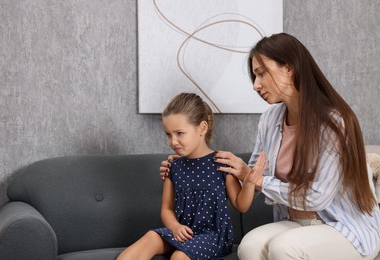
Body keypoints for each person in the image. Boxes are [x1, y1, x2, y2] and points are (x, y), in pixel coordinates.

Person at [160, 33, 380, 259]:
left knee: (283, 248)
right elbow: (253, 179)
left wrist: (258, 179)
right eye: (254, 76)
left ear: (289, 68)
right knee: (249, 247)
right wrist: (190, 167)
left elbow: (317, 197)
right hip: (296, 223)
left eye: (261, 74)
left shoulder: (334, 123)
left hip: (342, 226)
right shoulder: (270, 119)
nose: (256, 85)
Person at [118, 92, 266, 260]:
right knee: (150, 238)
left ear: (202, 128)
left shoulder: (222, 163)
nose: (173, 141)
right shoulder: (173, 167)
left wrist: (249, 182)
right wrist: (174, 227)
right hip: (182, 232)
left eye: (179, 133)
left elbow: (241, 205)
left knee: (179, 257)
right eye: (168, 134)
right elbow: (166, 209)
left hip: (213, 237)